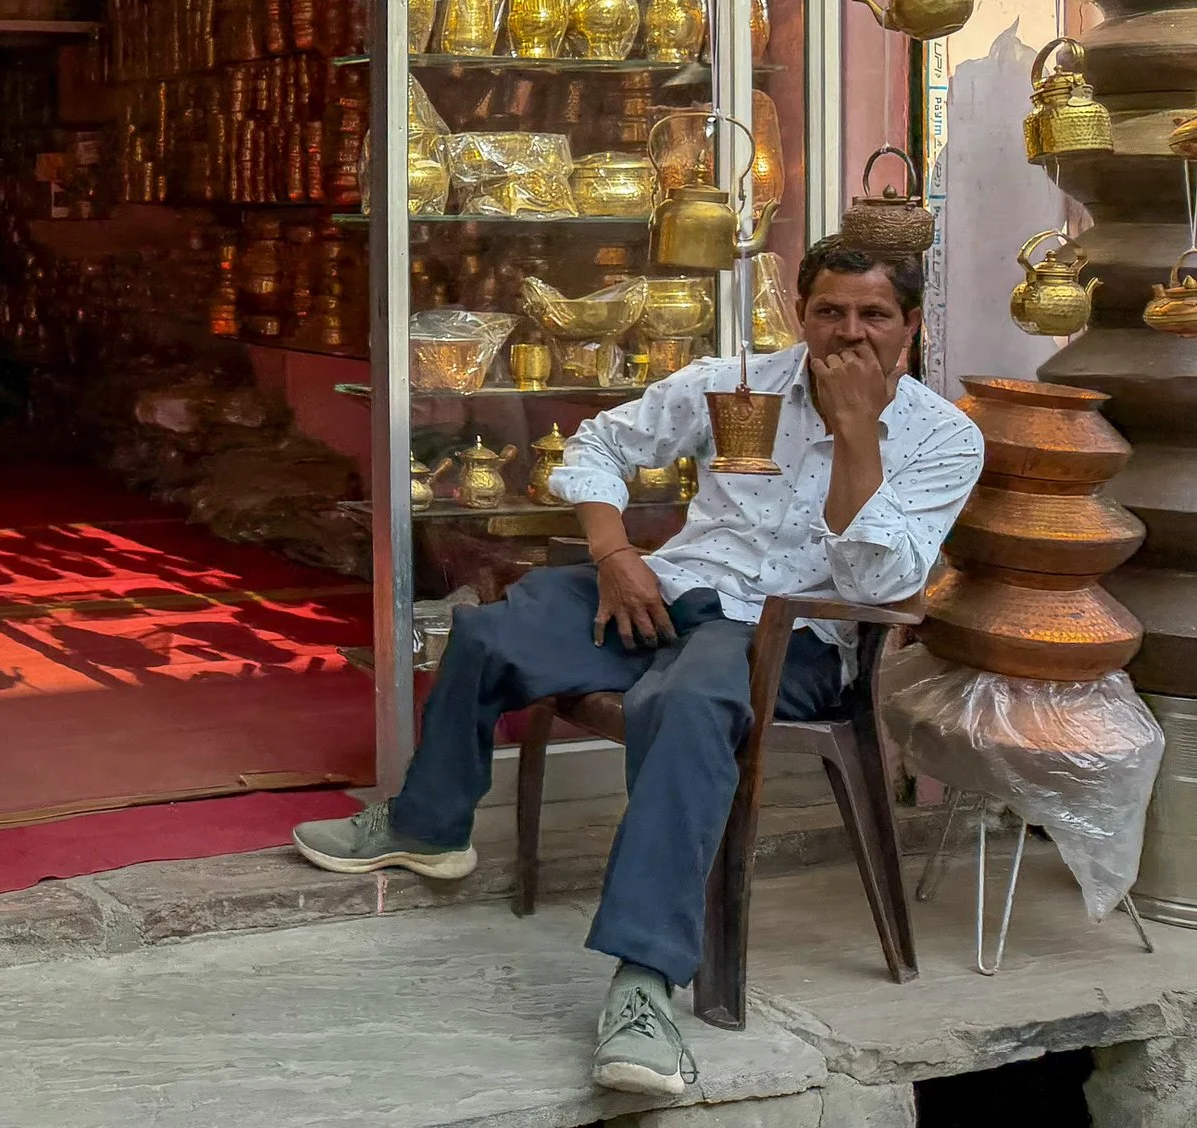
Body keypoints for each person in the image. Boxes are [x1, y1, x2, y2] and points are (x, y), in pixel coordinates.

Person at [291, 237, 982, 1101]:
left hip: (790, 635)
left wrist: (854, 436)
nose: (848, 334)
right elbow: (596, 446)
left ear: (909, 327)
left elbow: (879, 582)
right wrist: (614, 551)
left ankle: (644, 985)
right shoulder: (739, 383)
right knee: (494, 631)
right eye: (828, 313)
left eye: (873, 316)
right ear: (799, 316)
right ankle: (430, 829)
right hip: (670, 594)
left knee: (683, 706)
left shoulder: (943, 438)